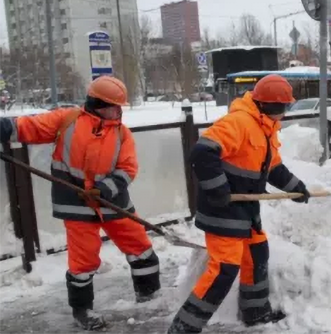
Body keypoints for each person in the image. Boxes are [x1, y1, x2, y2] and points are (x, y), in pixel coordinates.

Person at [0, 76, 160, 331]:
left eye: (120, 107)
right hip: (75, 204)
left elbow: (128, 168)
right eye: (114, 106)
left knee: (141, 248)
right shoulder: (68, 120)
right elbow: (28, 127)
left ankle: (149, 297)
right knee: (83, 260)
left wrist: (104, 190)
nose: (118, 112)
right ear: (97, 103)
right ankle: (82, 311)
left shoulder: (122, 133)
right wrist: (4, 129)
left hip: (113, 202)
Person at [167, 74, 311, 334]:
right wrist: (218, 188)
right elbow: (202, 152)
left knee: (257, 254)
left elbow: (273, 167)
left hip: (246, 210)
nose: (285, 113)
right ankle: (184, 327)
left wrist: (296, 188)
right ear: (270, 106)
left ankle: (255, 312)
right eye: (283, 107)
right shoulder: (240, 122)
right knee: (224, 269)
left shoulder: (266, 128)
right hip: (222, 209)